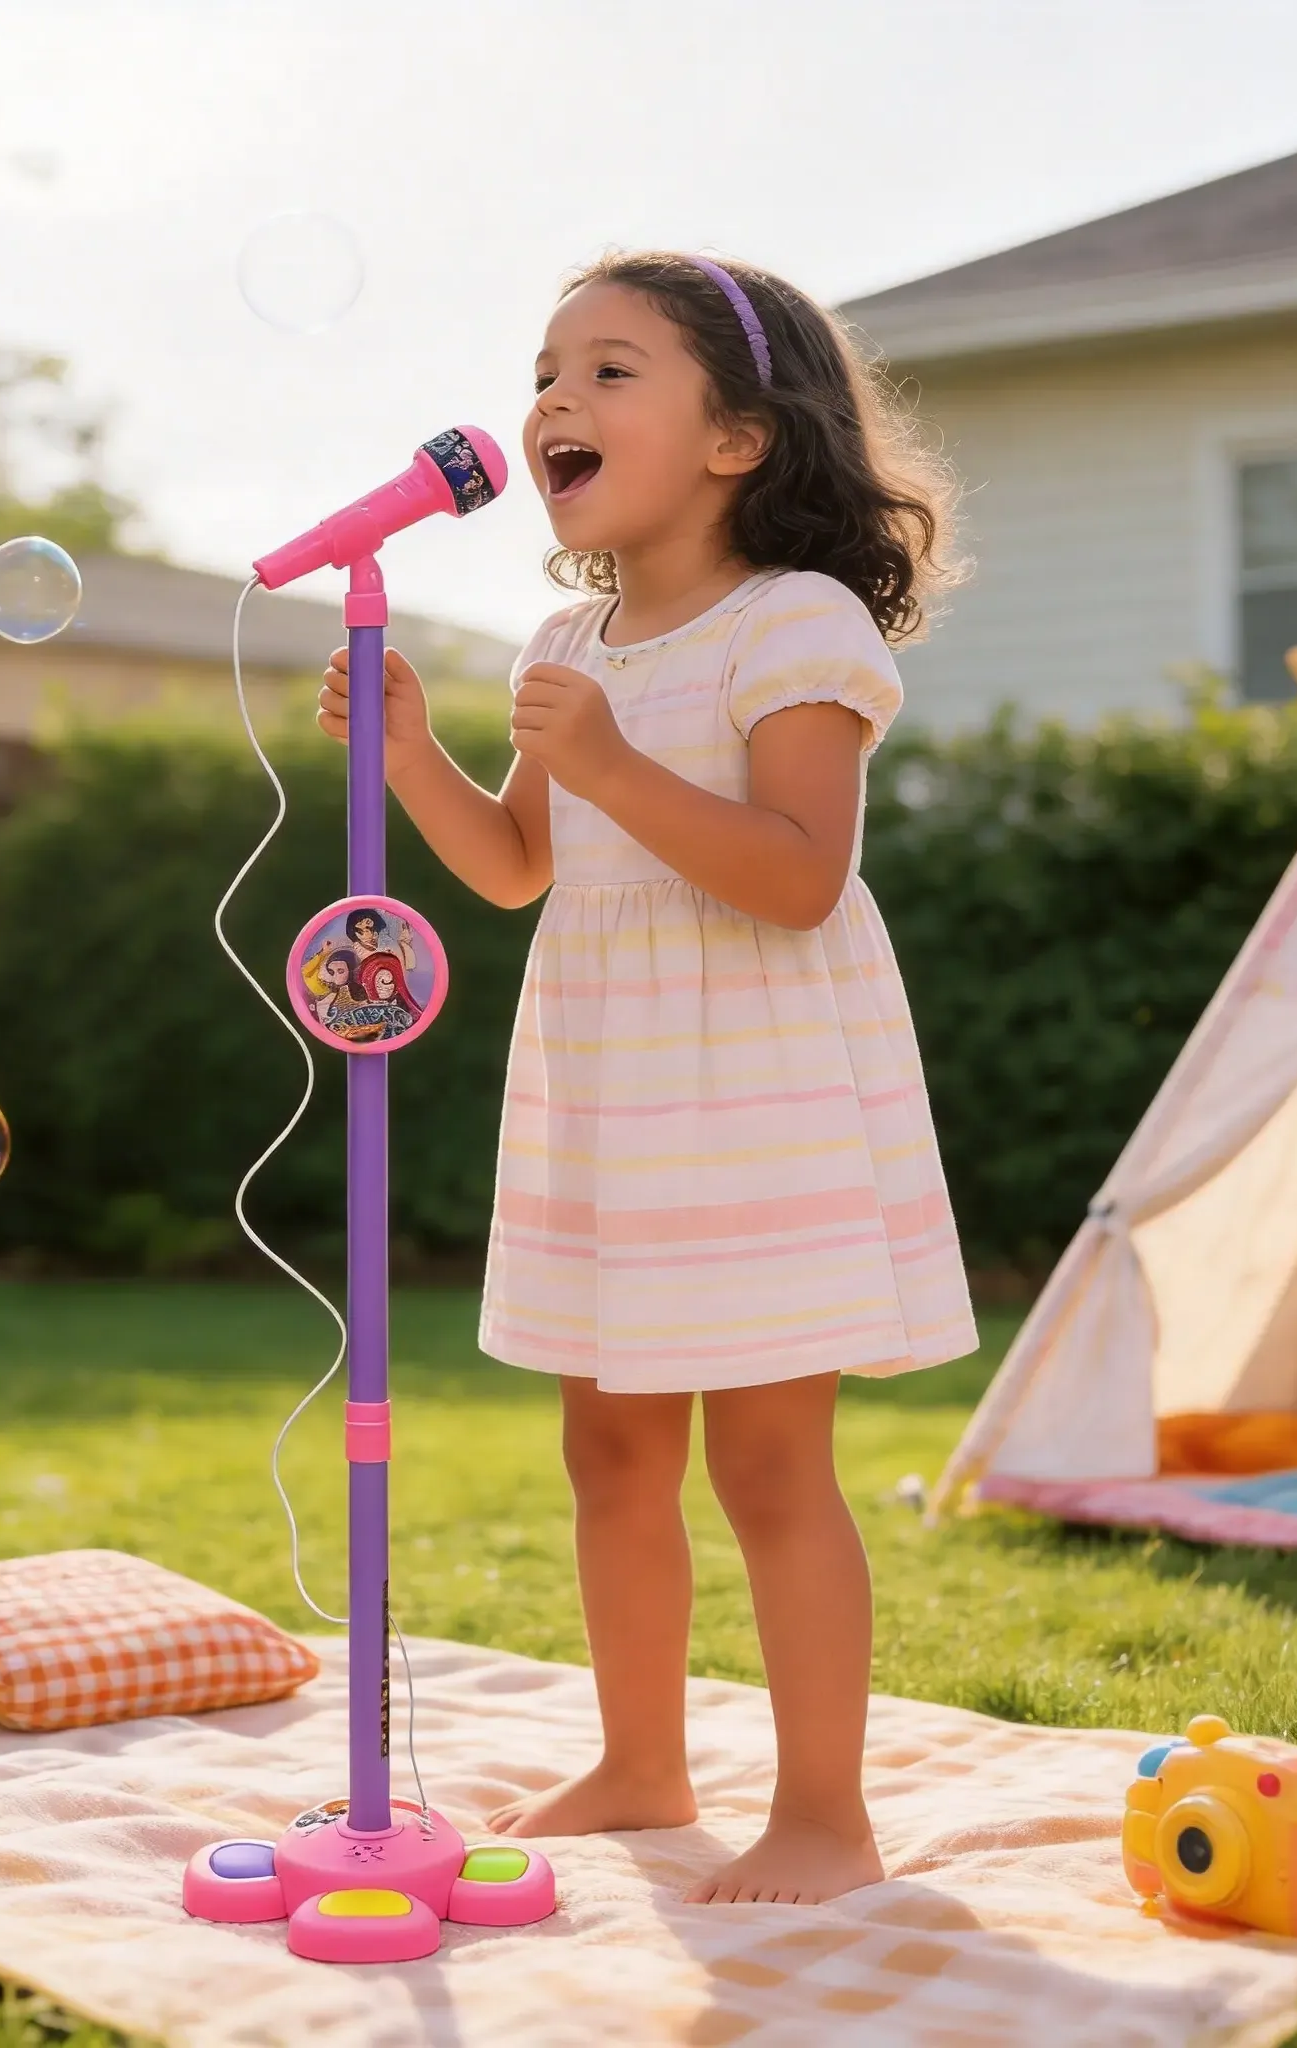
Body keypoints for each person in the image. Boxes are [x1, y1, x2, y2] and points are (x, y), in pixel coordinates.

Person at [317, 251, 975, 1906]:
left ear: (741, 437)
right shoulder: (570, 632)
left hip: (751, 1088)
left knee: (768, 1463)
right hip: (612, 1083)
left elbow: (798, 873)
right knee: (608, 1455)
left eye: (611, 371)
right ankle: (641, 1759)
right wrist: (411, 758)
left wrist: (605, 750)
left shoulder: (793, 622)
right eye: (547, 371)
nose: (555, 402)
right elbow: (525, 869)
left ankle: (826, 1810)